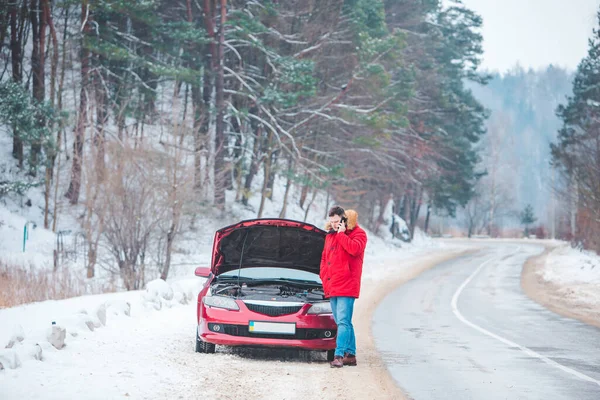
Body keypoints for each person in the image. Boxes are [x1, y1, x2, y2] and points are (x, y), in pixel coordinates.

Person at [320, 206, 367, 368]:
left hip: (347, 285)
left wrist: (341, 234)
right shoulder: (330, 236)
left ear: (343, 219)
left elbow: (354, 249)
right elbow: (324, 259)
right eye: (331, 222)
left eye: (336, 221)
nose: (333, 225)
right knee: (343, 321)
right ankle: (351, 354)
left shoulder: (358, 234)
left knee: (343, 322)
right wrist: (324, 276)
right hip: (332, 284)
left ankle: (339, 355)